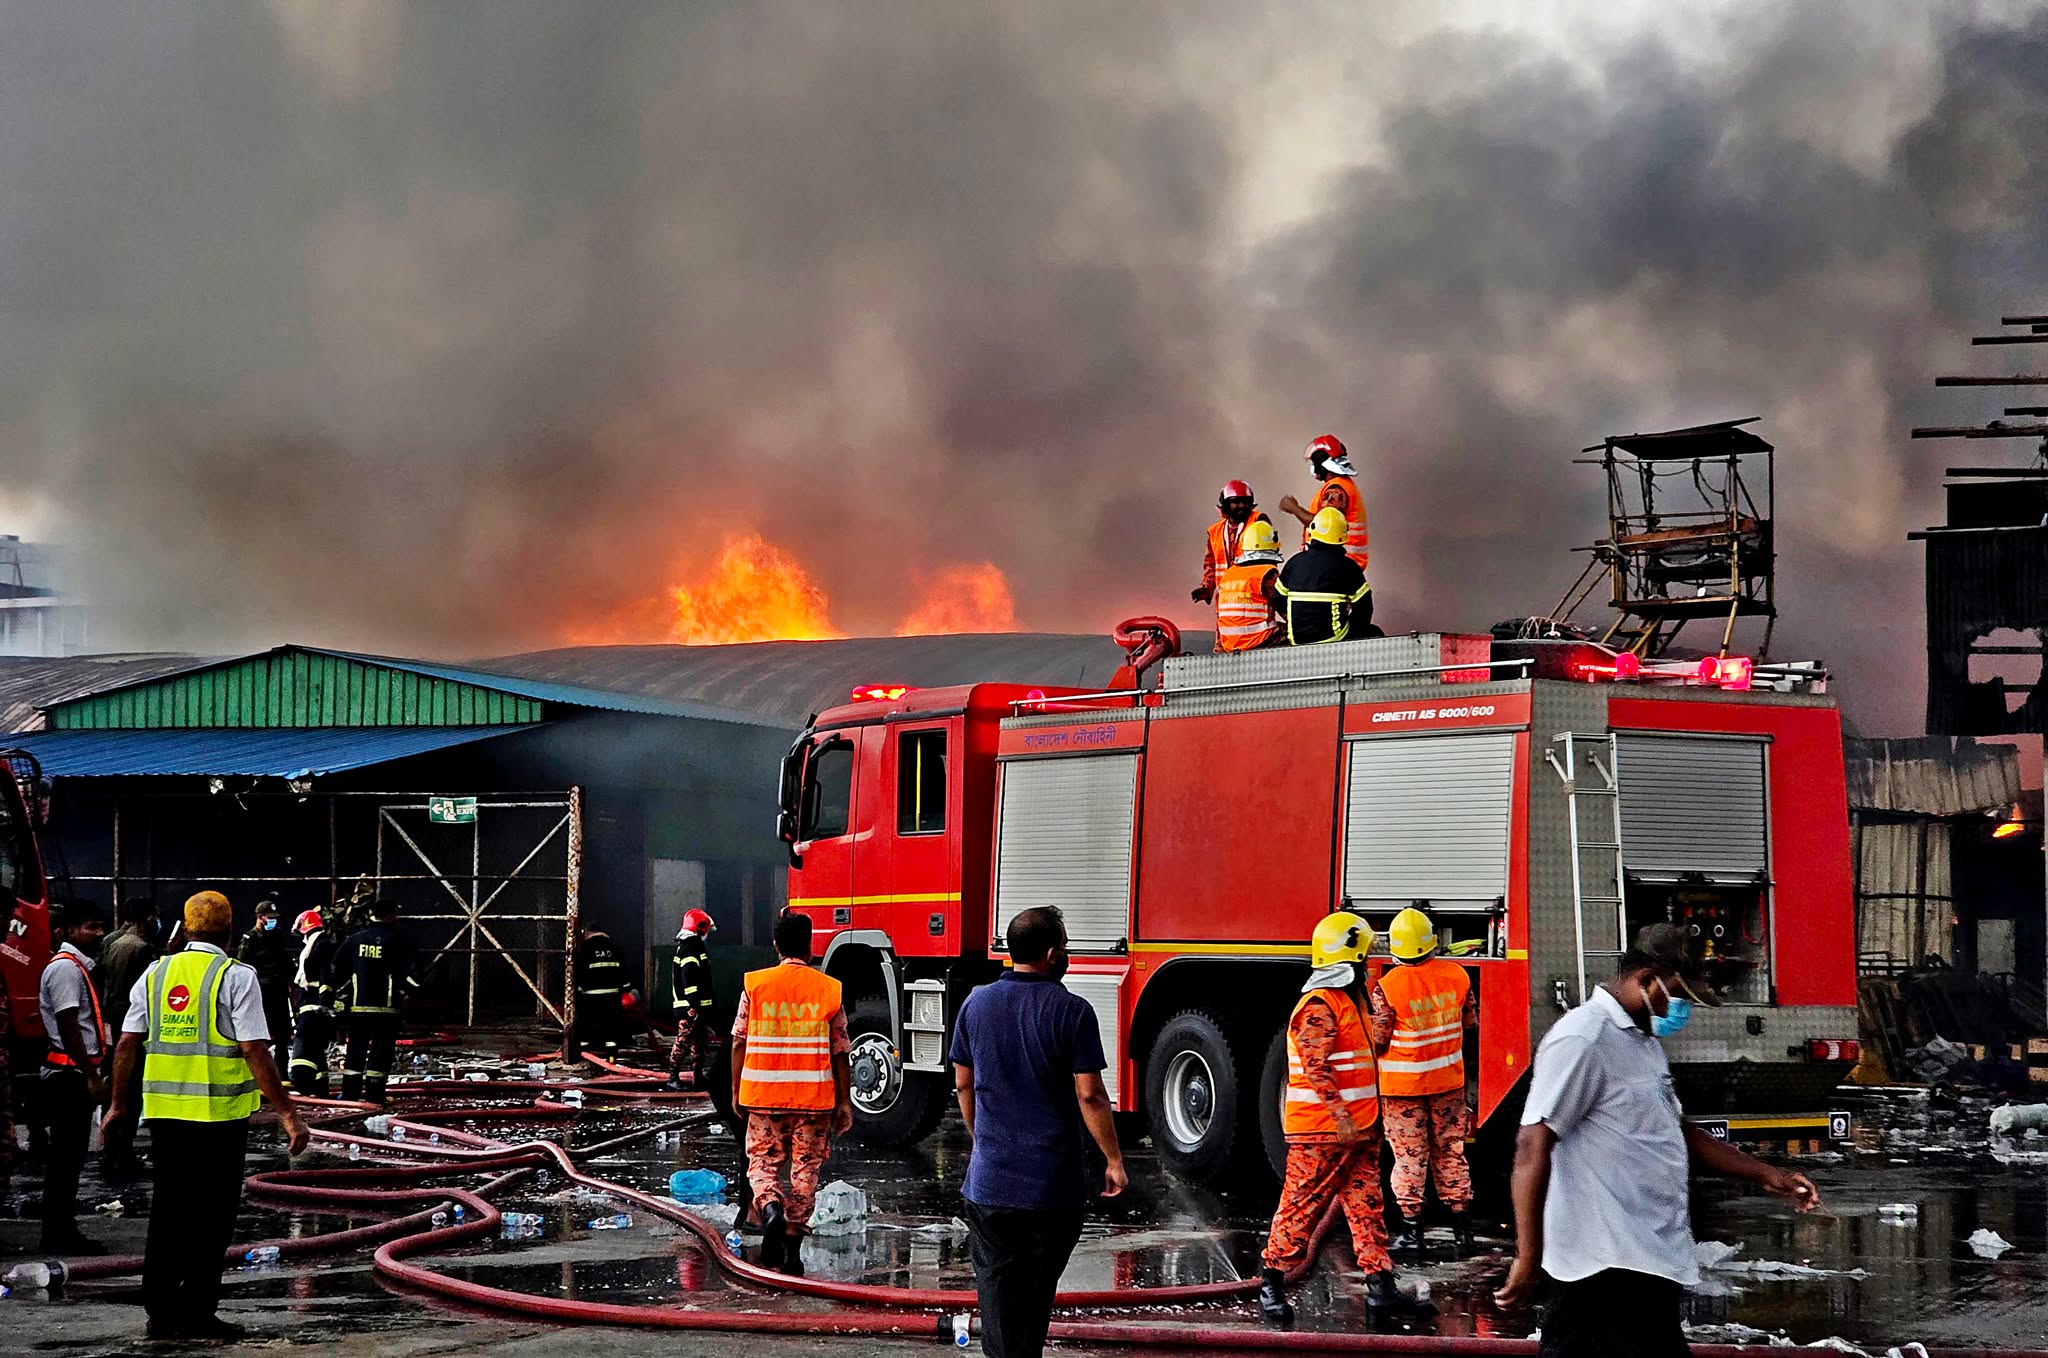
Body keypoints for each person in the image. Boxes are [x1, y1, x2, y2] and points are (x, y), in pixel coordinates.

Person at [1493, 924, 1822, 1356]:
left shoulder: (1641, 1040)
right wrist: (1528, 1257)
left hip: (1646, 1256)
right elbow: (1532, 1144)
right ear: (1645, 980)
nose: (1681, 1007)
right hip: (1603, 1265)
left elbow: (1674, 1130)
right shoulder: (1583, 1038)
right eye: (1675, 993)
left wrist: (1766, 1175)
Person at [106, 890, 310, 1343]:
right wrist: (289, 1114)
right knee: (212, 1217)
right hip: (218, 1118)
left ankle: (160, 1314)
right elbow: (254, 1048)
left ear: (185, 926)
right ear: (229, 929)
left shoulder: (156, 973)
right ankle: (197, 1313)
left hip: (165, 1115)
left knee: (167, 1213)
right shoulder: (235, 976)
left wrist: (118, 1105)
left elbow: (126, 1044)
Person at [951, 906, 1128, 1358]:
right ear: (1052, 954)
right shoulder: (1073, 1011)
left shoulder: (975, 1003)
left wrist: (980, 1138)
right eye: (1065, 948)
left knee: (999, 1300)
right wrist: (1113, 1160)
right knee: (1033, 1299)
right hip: (1053, 1191)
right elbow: (1090, 1095)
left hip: (990, 1185)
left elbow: (964, 1082)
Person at [1259, 910, 1426, 1326]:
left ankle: (1380, 1287)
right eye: (1364, 957)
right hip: (1322, 1132)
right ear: (1348, 961)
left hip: (1360, 1131)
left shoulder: (1353, 1000)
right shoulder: (1318, 1007)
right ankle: (1271, 1283)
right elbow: (1316, 1069)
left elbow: (1371, 1047)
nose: (1369, 963)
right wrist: (1340, 1117)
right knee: (1300, 1208)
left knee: (1367, 1209)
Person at [731, 908, 852, 1276]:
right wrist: (844, 1102)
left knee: (763, 1164)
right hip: (814, 1101)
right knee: (805, 1170)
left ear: (775, 945)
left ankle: (769, 1209)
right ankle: (794, 1248)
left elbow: (739, 1042)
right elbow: (840, 1050)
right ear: (810, 946)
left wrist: (737, 1089)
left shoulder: (757, 985)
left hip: (764, 1097)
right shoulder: (828, 989)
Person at [1375, 907, 1479, 1262]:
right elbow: (1470, 1022)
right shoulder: (1458, 976)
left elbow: (1378, 1037)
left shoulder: (1388, 987)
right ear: (1433, 943)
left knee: (1409, 1158)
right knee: (1450, 1152)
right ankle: (1463, 1232)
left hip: (1402, 1091)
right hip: (1448, 1083)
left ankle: (1411, 1233)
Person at [37, 899, 110, 1254]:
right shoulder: (66, 969)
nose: (98, 934)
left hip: (72, 1070)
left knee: (69, 1159)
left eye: (100, 927)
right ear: (67, 931)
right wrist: (91, 1074)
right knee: (66, 1160)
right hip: (69, 1074)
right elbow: (68, 1024)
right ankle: (58, 1233)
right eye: (90, 927)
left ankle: (60, 1229)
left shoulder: (76, 967)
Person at [331, 899, 420, 1103]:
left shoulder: (355, 940)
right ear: (390, 915)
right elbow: (416, 972)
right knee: (381, 1054)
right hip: (387, 1010)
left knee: (355, 1053)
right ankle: (375, 1095)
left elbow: (336, 968)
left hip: (359, 1008)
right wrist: (406, 991)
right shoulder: (399, 941)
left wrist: (343, 993)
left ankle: (350, 1095)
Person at [96, 897, 159, 1175]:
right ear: (148, 918)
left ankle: (110, 1146)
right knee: (132, 1089)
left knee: (114, 1082)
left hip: (110, 1019)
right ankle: (123, 1150)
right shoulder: (142, 948)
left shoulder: (111, 941)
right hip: (132, 1021)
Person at [1275, 507, 1374, 645]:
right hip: (1334, 640)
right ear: (1343, 534)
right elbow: (1364, 607)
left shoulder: (1294, 562)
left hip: (1297, 642)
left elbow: (1277, 599)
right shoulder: (1348, 566)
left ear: (1314, 530)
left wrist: (1294, 619)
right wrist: (1354, 636)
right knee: (1374, 632)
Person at [1278, 433, 1369, 571]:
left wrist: (1295, 509)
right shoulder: (1343, 486)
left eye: (1314, 463)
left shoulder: (1335, 490)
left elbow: (1324, 525)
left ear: (1323, 463)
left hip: (1337, 566)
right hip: (1341, 565)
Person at [664, 908, 719, 1092]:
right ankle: (672, 1078)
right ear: (700, 928)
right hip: (689, 1008)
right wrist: (694, 1005)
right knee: (683, 1042)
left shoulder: (693, 946)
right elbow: (689, 979)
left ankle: (698, 1077)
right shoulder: (689, 948)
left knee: (700, 1044)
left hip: (698, 1007)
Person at [1192, 480, 1270, 607]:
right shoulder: (1215, 532)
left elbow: (1267, 561)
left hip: (1252, 596)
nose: (1241, 505)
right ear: (1226, 504)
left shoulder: (1258, 521)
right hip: (1226, 600)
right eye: (1236, 501)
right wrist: (1207, 588)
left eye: (1245, 501)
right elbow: (1210, 565)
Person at [1214, 518, 1287, 652]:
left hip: (1229, 644)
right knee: (1297, 632)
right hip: (1259, 641)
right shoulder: (1267, 573)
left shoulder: (1228, 574)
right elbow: (1284, 607)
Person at [288, 909, 340, 1098]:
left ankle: (304, 1084)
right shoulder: (314, 944)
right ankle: (320, 1090)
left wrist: (324, 1001)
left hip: (313, 1004)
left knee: (303, 1050)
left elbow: (326, 974)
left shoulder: (321, 945)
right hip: (309, 1003)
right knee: (317, 1051)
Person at [236, 899, 294, 1065]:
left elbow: (286, 961)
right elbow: (243, 966)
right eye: (270, 917)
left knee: (283, 1033)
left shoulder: (278, 936)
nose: (273, 921)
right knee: (260, 1033)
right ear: (260, 917)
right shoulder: (250, 939)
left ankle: (282, 1070)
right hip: (261, 991)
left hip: (279, 990)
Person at [574, 924, 632, 1063]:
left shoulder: (585, 947)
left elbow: (579, 971)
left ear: (588, 932)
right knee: (611, 1026)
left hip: (590, 996)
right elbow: (623, 970)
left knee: (587, 1025)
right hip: (612, 996)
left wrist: (579, 990)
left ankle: (584, 1055)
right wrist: (625, 989)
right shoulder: (614, 947)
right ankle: (611, 1056)